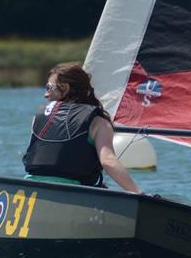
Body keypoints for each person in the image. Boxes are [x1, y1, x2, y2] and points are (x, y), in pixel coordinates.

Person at [22, 62, 141, 193]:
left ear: (65, 88)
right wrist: (138, 193)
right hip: (76, 193)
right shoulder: (99, 123)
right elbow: (108, 161)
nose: (46, 94)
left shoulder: (37, 118)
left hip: (30, 188)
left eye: (49, 87)